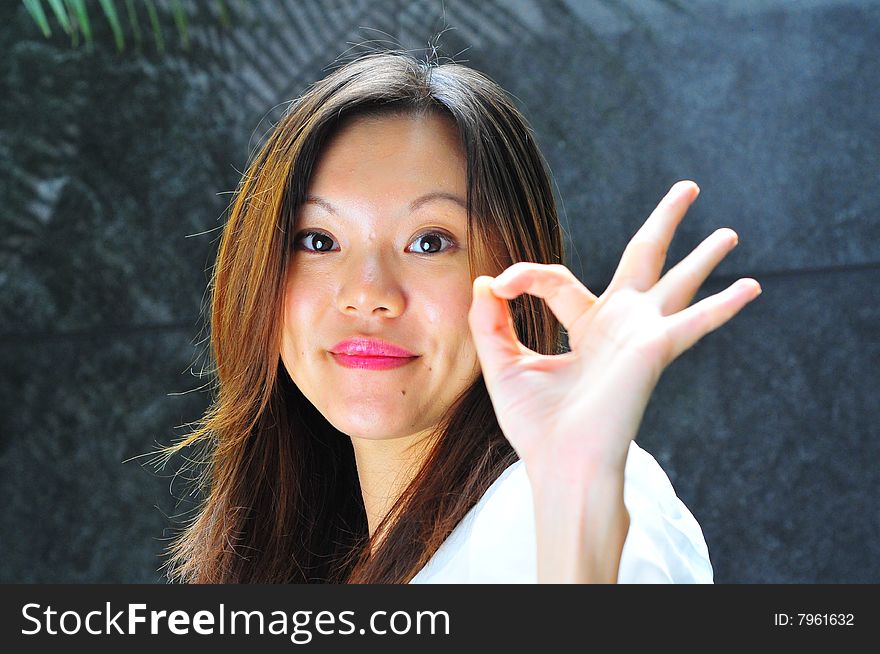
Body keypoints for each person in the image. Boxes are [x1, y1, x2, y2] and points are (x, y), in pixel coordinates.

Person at [158, 50, 760, 584]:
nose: (367, 294)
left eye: (429, 242)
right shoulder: (303, 548)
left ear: (515, 270)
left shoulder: (555, 498)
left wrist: (578, 496)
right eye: (318, 240)